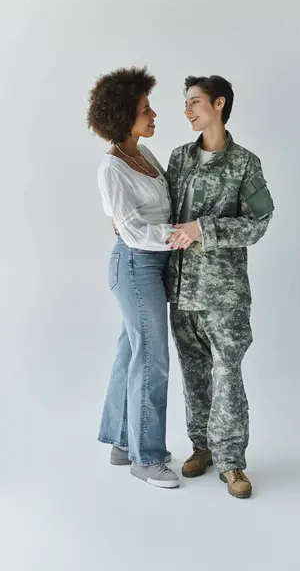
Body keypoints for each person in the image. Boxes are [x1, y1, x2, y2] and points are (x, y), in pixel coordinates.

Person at [165, 75, 275, 499]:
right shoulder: (179, 159)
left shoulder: (244, 163)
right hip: (181, 290)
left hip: (224, 295)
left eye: (194, 102)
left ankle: (232, 462)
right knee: (193, 373)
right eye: (186, 103)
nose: (188, 110)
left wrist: (204, 228)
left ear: (219, 104)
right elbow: (162, 212)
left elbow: (258, 223)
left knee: (227, 373)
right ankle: (202, 447)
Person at [87, 66, 194, 489]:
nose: (154, 115)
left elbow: (151, 214)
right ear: (123, 116)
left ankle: (122, 442)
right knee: (152, 357)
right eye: (146, 109)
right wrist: (181, 235)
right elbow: (133, 231)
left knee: (132, 352)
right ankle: (146, 458)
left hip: (152, 263)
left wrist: (173, 231)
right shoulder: (112, 168)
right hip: (134, 266)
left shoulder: (143, 155)